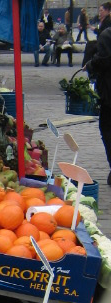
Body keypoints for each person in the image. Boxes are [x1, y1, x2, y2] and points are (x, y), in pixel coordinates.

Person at [84, 26, 111, 185]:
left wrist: (90, 64)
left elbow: (103, 60)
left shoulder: (107, 35)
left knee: (107, 129)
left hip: (109, 94)